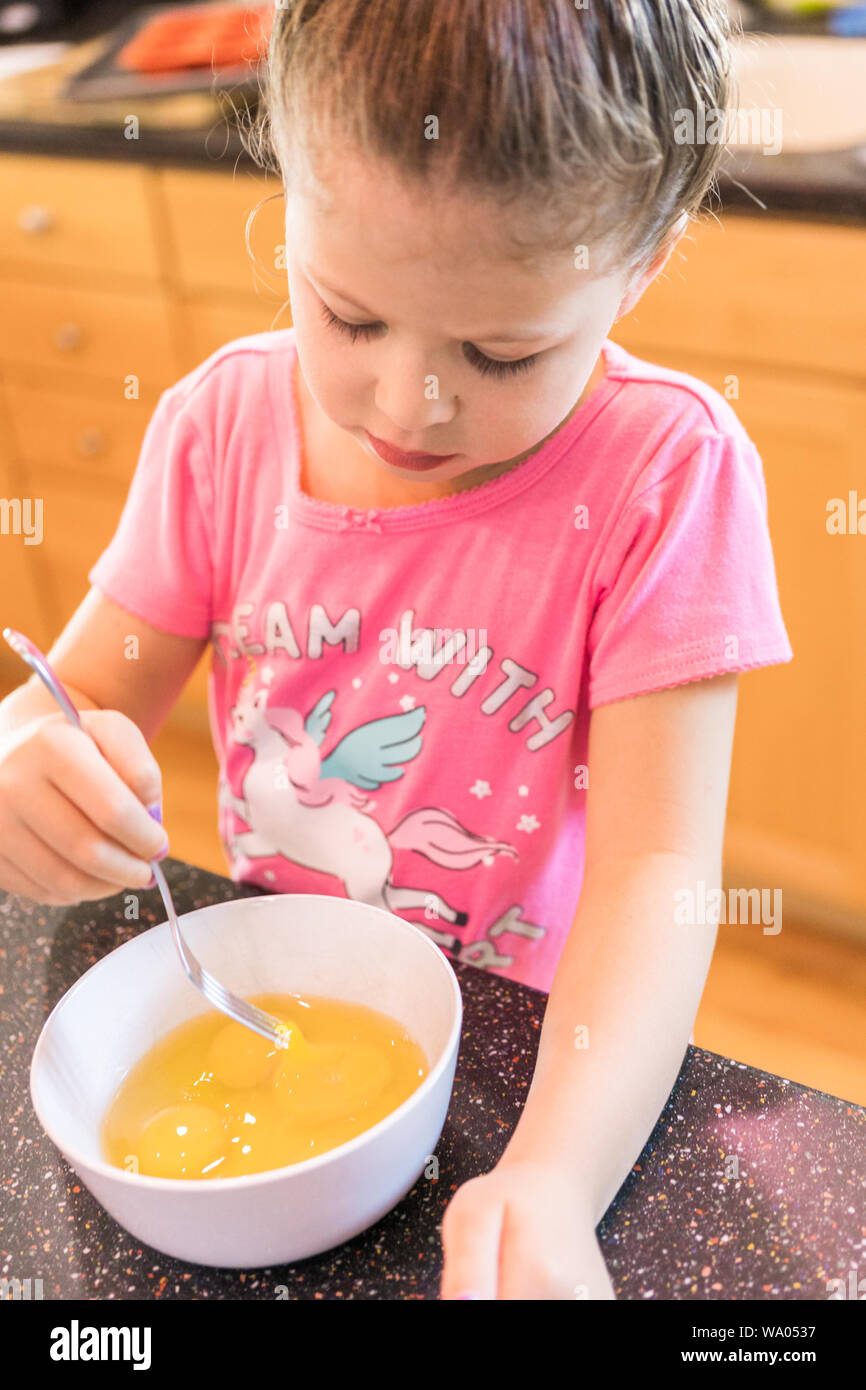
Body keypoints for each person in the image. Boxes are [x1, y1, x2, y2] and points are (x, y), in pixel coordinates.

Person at [0, 0, 791, 1298]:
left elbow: (658, 871)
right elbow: (72, 696)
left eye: (499, 349)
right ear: (290, 198)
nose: (406, 403)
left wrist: (551, 1175)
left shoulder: (667, 475)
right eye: (350, 316)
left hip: (527, 1065)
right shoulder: (220, 427)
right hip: (264, 1014)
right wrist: (27, 760)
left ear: (643, 264)